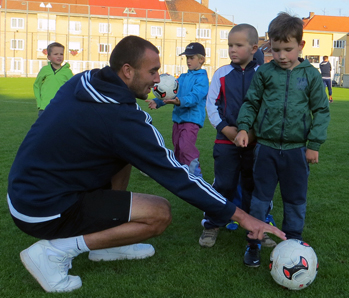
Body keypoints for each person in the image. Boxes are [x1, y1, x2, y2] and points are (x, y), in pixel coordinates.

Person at [7, 36, 286, 293]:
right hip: (44, 209)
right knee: (159, 213)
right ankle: (55, 252)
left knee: (123, 154)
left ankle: (104, 243)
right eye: (152, 71)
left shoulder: (85, 80)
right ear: (127, 71)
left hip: (24, 191)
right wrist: (242, 216)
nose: (157, 80)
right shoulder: (121, 119)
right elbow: (178, 176)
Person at [235, 12, 330, 267]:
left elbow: (321, 110)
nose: (282, 56)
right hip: (265, 149)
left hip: (296, 152)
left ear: (301, 46)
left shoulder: (310, 75)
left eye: (288, 49)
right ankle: (253, 245)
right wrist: (243, 128)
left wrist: (313, 145)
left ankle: (294, 245)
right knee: (259, 200)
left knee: (295, 200)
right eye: (276, 50)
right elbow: (251, 102)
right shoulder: (265, 72)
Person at [200, 24, 271, 248]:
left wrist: (254, 133)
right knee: (224, 184)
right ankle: (212, 224)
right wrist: (225, 128)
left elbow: (269, 107)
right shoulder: (221, 74)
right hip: (225, 142)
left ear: (253, 48)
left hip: (255, 142)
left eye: (238, 45)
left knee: (254, 187)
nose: (232, 49)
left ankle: (258, 226)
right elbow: (211, 105)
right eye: (230, 45)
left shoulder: (263, 75)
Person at [146, 42, 209, 177]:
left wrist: (181, 101)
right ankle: (183, 176)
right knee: (178, 149)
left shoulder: (202, 78)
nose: (188, 61)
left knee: (186, 148)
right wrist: (157, 102)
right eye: (187, 58)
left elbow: (195, 96)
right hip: (178, 120)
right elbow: (170, 94)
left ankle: (196, 176)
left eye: (191, 58)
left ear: (201, 59)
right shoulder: (182, 77)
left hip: (192, 120)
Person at [33, 42, 73, 117]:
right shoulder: (45, 70)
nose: (59, 56)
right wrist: (40, 103)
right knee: (43, 128)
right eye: (56, 54)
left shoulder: (67, 72)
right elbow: (37, 85)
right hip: (45, 107)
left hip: (61, 107)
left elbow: (72, 88)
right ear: (49, 57)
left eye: (61, 54)